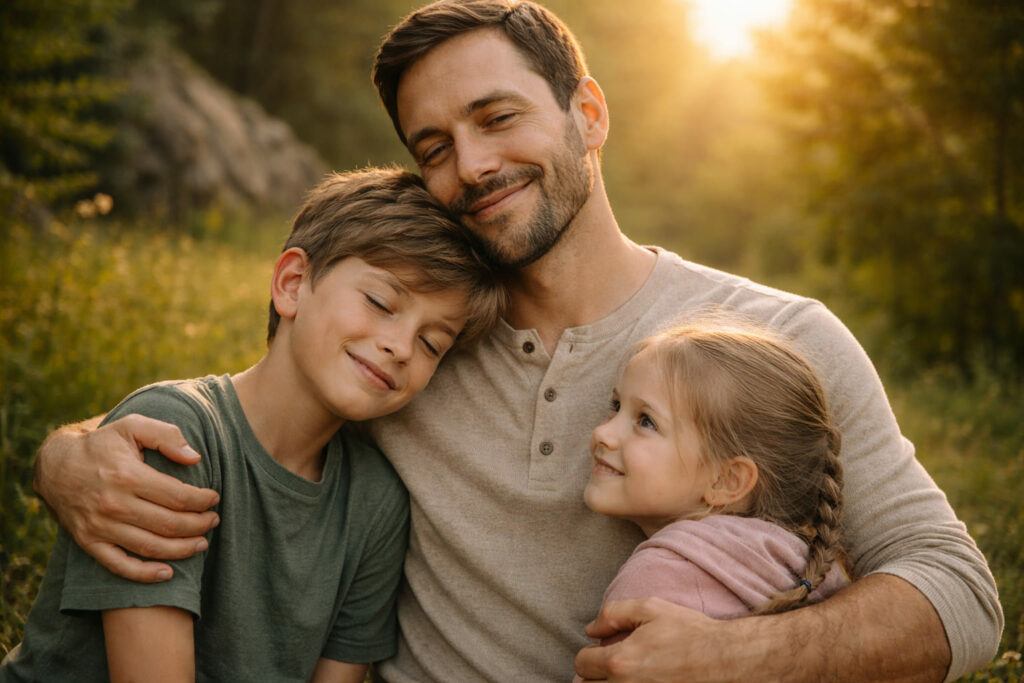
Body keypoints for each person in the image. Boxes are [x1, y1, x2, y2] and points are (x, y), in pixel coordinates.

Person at [32, 1, 1003, 681]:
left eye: (497, 117)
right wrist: (69, 456)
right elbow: (253, 412)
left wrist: (736, 656)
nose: (473, 164)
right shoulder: (420, 348)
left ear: (588, 113)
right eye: (434, 147)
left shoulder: (778, 338)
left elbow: (960, 594)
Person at [3, 167, 504, 682]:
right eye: (380, 302)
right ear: (292, 284)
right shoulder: (174, 435)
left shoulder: (376, 503)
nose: (400, 347)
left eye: (431, 344)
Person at [581, 320, 851, 654]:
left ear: (727, 481)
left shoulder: (656, 579)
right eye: (616, 407)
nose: (602, 434)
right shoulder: (815, 571)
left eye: (646, 421)